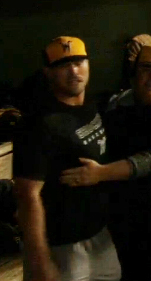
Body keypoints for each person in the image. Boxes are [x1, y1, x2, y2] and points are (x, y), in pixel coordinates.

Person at [60, 44, 151, 281]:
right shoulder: (118, 106)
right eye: (146, 69)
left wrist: (99, 174)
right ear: (134, 73)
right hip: (130, 226)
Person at [13, 36, 121, 281]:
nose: (74, 70)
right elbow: (27, 195)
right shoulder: (38, 125)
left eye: (78, 61)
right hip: (61, 248)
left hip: (100, 238)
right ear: (48, 72)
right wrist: (40, 261)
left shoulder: (90, 105)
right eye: (63, 65)